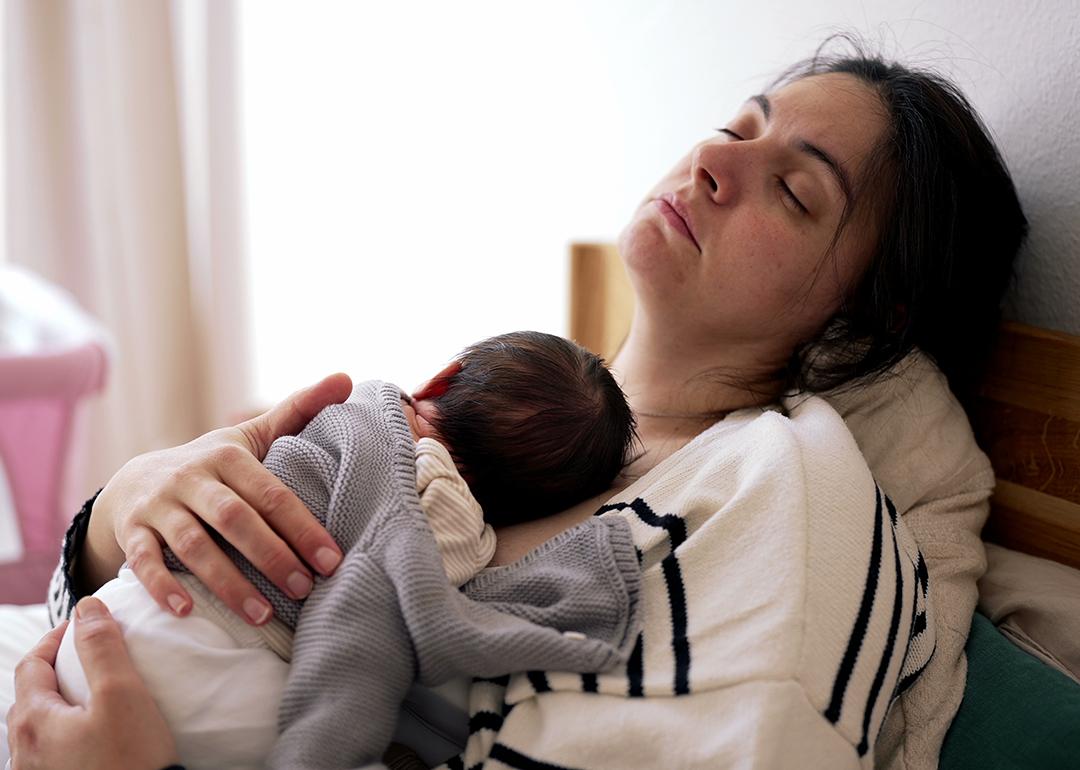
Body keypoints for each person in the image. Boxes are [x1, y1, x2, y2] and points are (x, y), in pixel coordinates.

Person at [7, 40, 1027, 770]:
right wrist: (128, 505)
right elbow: (133, 607)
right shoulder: (522, 409)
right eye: (735, 127)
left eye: (796, 191)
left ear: (870, 316)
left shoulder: (784, 496)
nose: (714, 163)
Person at [49, 331, 640, 769]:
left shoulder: (345, 410)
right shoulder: (435, 498)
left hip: (106, 625)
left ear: (442, 378)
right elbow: (379, 606)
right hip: (197, 663)